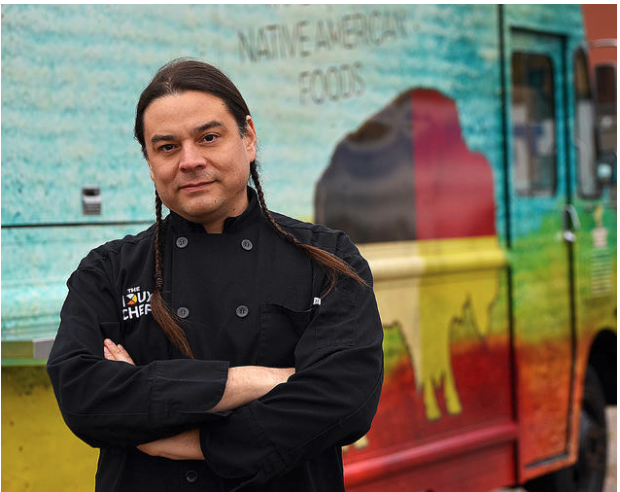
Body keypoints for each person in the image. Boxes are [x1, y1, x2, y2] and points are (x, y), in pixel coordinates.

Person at [46, 58, 384, 492]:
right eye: (167, 147)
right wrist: (268, 380)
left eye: (208, 138)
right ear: (150, 163)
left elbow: (345, 401)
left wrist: (193, 443)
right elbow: (85, 399)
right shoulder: (108, 271)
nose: (189, 161)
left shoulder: (327, 259)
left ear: (249, 138)